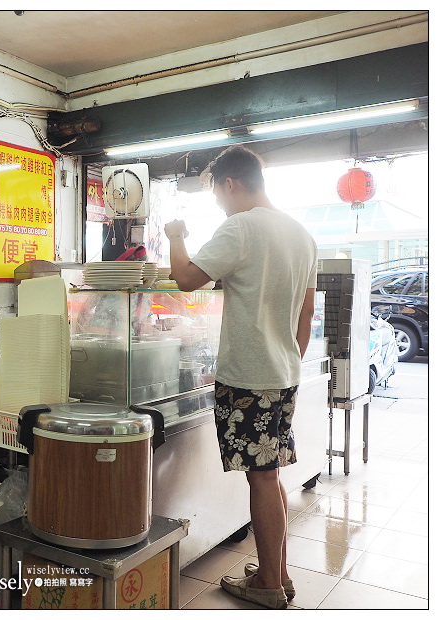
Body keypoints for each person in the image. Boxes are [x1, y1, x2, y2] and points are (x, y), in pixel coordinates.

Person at [164, 145, 317, 610]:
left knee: (261, 478)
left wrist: (175, 234)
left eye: (218, 195)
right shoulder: (301, 234)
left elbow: (186, 278)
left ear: (230, 183)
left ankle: (268, 583)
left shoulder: (241, 226)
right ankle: (279, 572)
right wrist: (285, 361)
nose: (220, 205)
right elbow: (306, 314)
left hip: (249, 379)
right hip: (282, 373)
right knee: (268, 475)